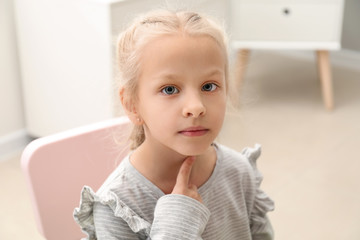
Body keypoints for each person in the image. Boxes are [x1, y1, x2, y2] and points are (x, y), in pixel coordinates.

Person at [74, 9, 274, 240]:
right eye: (169, 89)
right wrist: (178, 221)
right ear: (132, 105)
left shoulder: (239, 171)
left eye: (209, 86)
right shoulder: (117, 207)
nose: (196, 106)